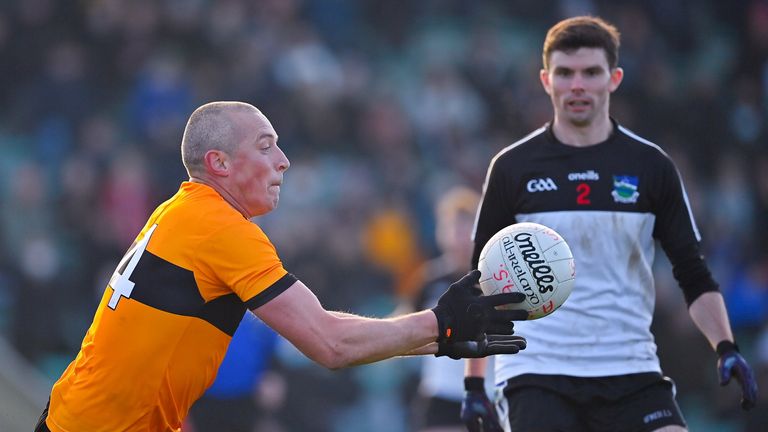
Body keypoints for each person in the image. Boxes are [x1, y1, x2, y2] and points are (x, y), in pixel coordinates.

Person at [34, 101, 529, 432]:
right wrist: (440, 322)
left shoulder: (186, 211)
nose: (285, 161)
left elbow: (329, 332)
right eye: (266, 146)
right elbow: (329, 344)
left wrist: (436, 336)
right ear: (220, 163)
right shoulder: (219, 227)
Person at [461, 16, 758, 432]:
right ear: (546, 80)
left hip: (629, 368)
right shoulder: (512, 167)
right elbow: (481, 284)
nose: (577, 85)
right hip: (538, 371)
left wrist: (726, 346)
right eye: (565, 73)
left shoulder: (651, 166)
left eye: (590, 72)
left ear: (614, 78)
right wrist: (474, 384)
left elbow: (693, 272)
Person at [398, 186, 496, 432]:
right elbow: (402, 323)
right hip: (441, 395)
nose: (458, 237)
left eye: (465, 228)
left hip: (489, 394)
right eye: (451, 227)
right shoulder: (429, 280)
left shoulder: (496, 281)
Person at [187, 313, 280, 432]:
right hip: (205, 396)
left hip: (247, 396)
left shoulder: (258, 314)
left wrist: (273, 374)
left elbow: (273, 350)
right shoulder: (201, 311)